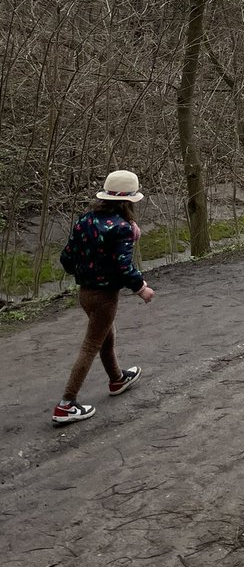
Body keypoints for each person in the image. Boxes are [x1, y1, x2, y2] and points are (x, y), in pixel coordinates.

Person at [53, 169, 155, 426]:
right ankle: (66, 404)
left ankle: (117, 378)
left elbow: (67, 258)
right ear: (127, 202)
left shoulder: (85, 220)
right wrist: (141, 287)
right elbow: (123, 267)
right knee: (91, 345)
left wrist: (87, 270)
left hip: (85, 294)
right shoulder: (121, 229)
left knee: (106, 336)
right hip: (104, 297)